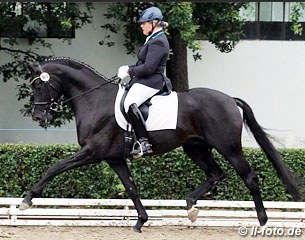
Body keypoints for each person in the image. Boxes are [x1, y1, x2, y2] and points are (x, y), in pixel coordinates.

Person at [117, 6, 170, 158]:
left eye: (144, 23)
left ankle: (143, 142)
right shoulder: (153, 38)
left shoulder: (159, 41)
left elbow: (148, 68)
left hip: (152, 81)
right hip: (144, 80)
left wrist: (129, 72)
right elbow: (142, 63)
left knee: (129, 103)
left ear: (154, 23)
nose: (141, 25)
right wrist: (128, 67)